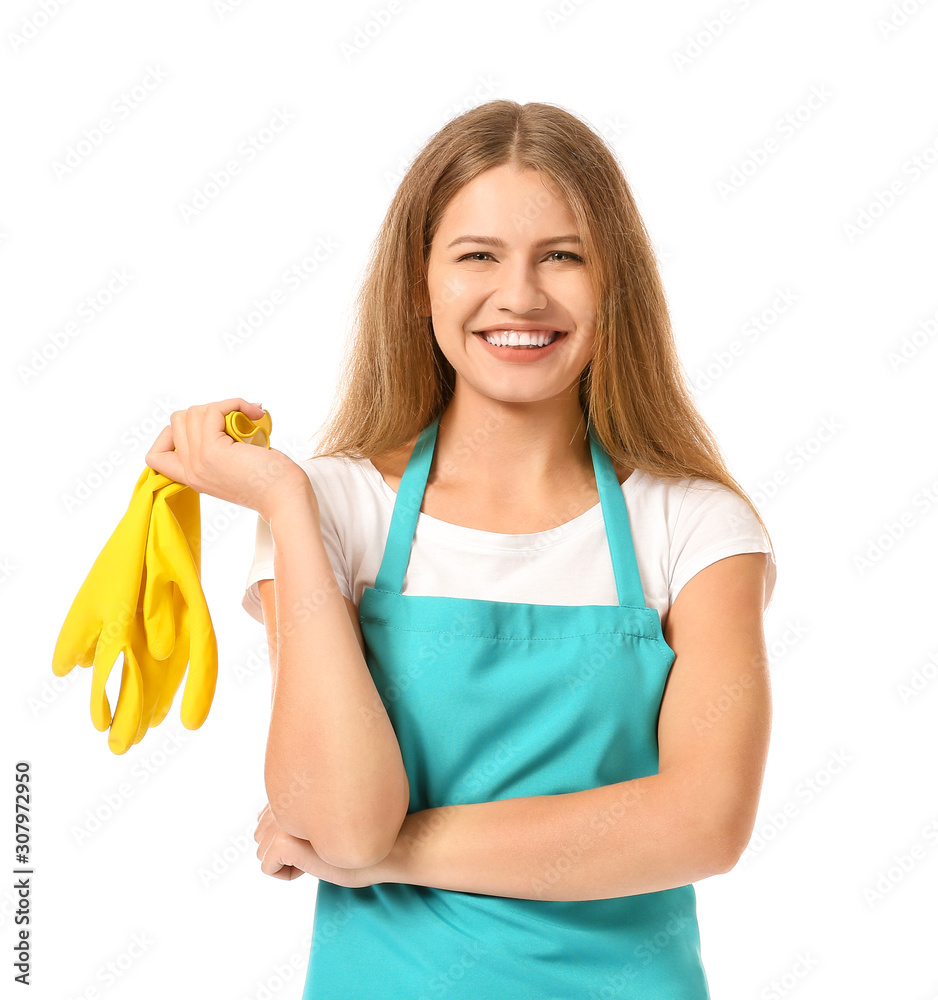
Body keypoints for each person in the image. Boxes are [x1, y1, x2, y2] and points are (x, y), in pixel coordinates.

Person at [147, 99, 776, 998]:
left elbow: (703, 824)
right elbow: (340, 820)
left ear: (616, 283)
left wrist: (392, 854)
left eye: (563, 256)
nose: (520, 296)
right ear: (420, 283)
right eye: (477, 256)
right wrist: (287, 501)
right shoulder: (335, 507)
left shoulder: (697, 527)